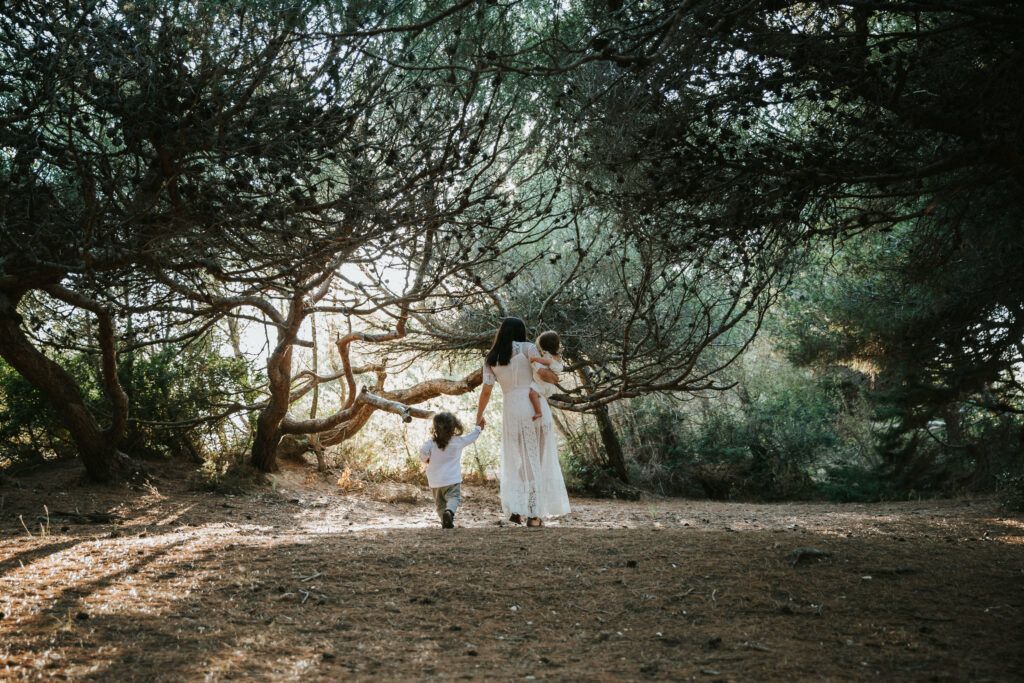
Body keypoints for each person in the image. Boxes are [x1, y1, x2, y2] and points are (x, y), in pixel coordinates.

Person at [475, 317, 571, 527]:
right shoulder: (528, 348)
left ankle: (517, 508)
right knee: (536, 459)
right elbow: (542, 373)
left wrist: (479, 417)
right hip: (532, 404)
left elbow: (486, 391)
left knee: (520, 461)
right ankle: (534, 515)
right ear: (521, 332)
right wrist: (557, 375)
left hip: (511, 409)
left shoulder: (491, 358)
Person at [419, 411, 482, 529]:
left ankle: (444, 520)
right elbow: (472, 437)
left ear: (435, 427)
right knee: (454, 498)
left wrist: (426, 459)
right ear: (454, 427)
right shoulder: (458, 441)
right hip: (452, 479)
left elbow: (422, 452)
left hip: (435, 480)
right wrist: (479, 428)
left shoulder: (431, 443)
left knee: (440, 503)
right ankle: (449, 512)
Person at [527, 330, 563, 420]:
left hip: (543, 383)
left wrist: (535, 359)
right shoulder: (557, 356)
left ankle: (538, 412)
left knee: (532, 393)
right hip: (548, 383)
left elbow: (546, 362)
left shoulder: (548, 356)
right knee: (537, 396)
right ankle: (540, 410)